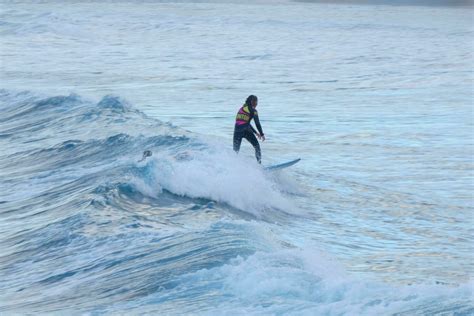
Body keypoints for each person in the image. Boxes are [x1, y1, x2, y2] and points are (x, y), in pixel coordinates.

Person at [233, 95, 265, 163]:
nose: (257, 104)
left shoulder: (241, 109)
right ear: (252, 101)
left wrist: (256, 132)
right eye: (256, 102)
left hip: (237, 131)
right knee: (257, 147)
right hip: (246, 130)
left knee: (235, 152)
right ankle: (259, 164)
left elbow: (245, 123)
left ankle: (232, 166)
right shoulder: (254, 110)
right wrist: (262, 134)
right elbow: (257, 123)